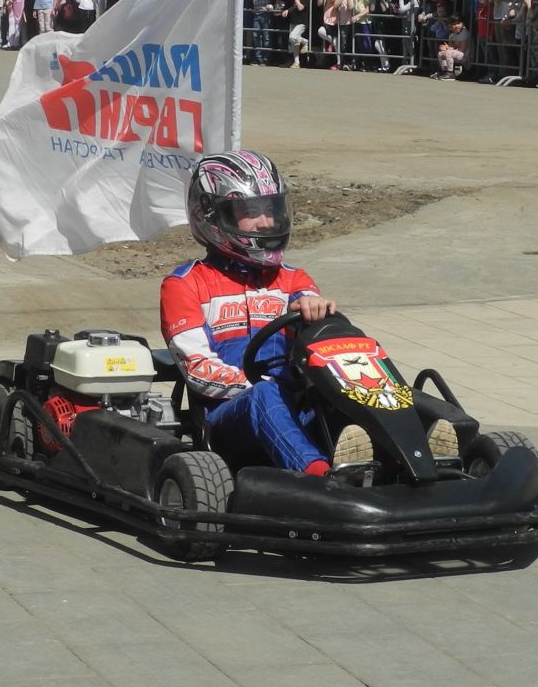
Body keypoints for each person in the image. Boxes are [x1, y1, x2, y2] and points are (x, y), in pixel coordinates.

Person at [161, 151, 453, 476]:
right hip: (229, 420)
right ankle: (320, 475)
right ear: (212, 216)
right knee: (266, 393)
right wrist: (264, 385)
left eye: (270, 210)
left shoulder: (293, 279)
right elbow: (198, 370)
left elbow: (313, 313)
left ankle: (411, 460)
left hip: (295, 405)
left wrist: (316, 311)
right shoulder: (185, 286)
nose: (267, 222)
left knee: (351, 382)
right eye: (251, 212)